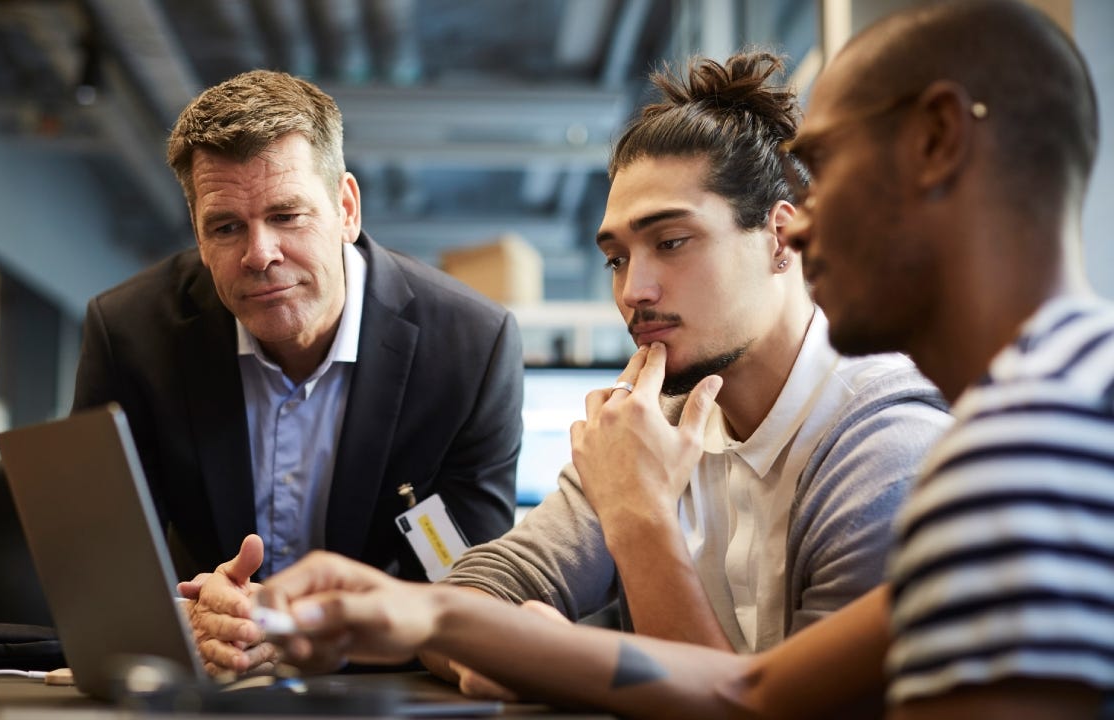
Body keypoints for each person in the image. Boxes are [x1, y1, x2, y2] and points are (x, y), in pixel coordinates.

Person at [192, 0, 1114, 717]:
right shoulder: (1030, 426)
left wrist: (635, 517)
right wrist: (440, 616)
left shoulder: (1008, 449)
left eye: (826, 167)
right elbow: (756, 696)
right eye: (618, 256)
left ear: (936, 141)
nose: (810, 214)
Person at [71, 70, 523, 596]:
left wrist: (326, 626)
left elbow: (472, 590)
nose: (259, 254)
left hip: (383, 667)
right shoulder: (129, 336)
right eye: (225, 227)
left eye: (286, 215)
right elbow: (99, 568)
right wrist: (188, 619)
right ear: (197, 231)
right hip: (206, 665)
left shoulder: (470, 349)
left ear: (346, 210)